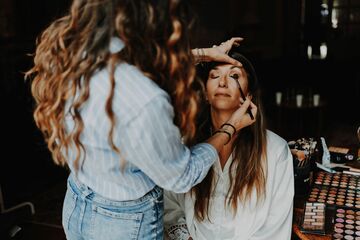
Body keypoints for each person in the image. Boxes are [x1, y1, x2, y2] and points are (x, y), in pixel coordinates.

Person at [25, 0, 256, 239]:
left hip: (78, 199)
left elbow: (138, 62)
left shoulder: (80, 51)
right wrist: (229, 129)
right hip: (123, 224)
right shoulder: (146, 101)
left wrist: (204, 55)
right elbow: (182, 176)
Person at [164, 48, 294, 240]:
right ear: (206, 94)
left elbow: (275, 228)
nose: (223, 82)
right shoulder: (184, 145)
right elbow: (169, 205)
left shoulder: (276, 151)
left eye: (234, 76)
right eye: (214, 76)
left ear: (248, 94)